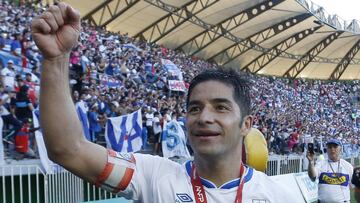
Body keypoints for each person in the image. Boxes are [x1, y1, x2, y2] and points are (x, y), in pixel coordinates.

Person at [32, 3, 295, 202]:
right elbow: (67, 149)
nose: (204, 117)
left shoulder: (277, 196)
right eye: (195, 108)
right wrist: (56, 59)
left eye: (221, 107)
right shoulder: (154, 176)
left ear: (246, 124)